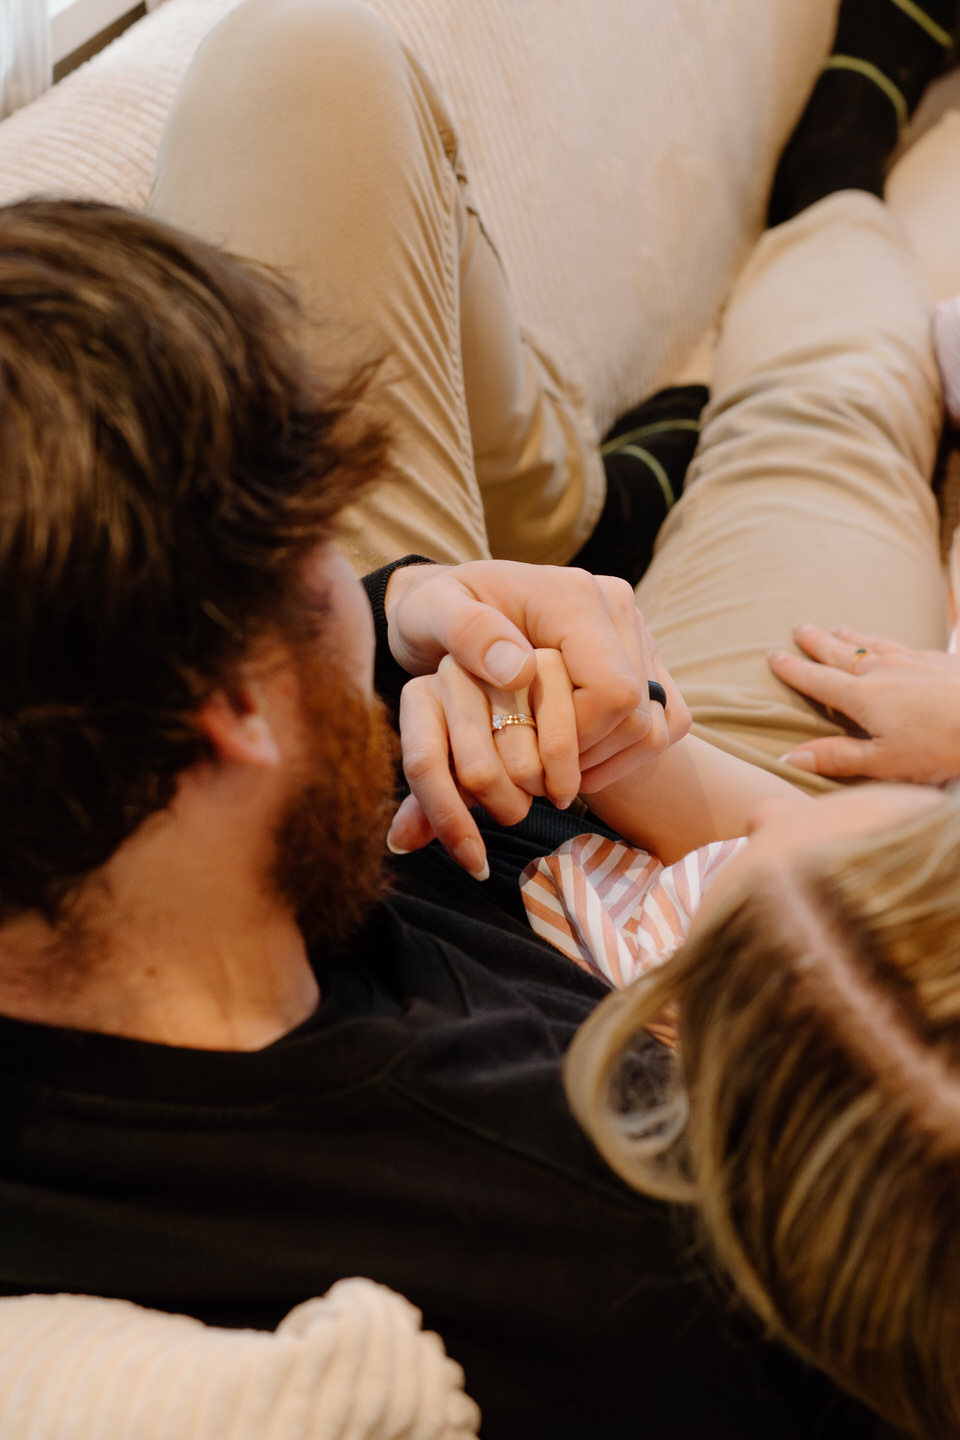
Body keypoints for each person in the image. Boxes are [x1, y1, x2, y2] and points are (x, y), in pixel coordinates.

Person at [0, 5, 954, 1440]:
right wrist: (652, 753)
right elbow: (822, 949)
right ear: (231, 715)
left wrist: (405, 614)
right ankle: (840, 169)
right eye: (317, 549)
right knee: (817, 417)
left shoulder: (109, 864)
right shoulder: (610, 1245)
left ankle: (594, 505)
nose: (350, 569)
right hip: (714, 842)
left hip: (530, 778)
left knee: (310, 64)